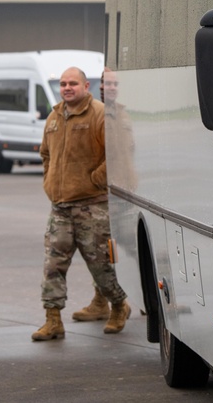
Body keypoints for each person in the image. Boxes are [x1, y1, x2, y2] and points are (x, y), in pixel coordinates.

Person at [32, 67, 129, 341]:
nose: (67, 88)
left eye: (72, 83)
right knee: (53, 265)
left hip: (92, 207)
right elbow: (45, 154)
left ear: (86, 86)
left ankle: (119, 305)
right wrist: (50, 182)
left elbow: (116, 155)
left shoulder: (99, 114)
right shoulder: (54, 116)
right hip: (60, 208)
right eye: (63, 84)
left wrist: (95, 180)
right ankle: (53, 320)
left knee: (100, 265)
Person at [71, 67, 138, 323]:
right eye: (104, 83)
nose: (108, 87)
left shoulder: (125, 113)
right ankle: (101, 301)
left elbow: (127, 152)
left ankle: (152, 297)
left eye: (113, 83)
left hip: (125, 190)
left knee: (130, 246)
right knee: (102, 248)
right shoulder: (95, 112)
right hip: (103, 192)